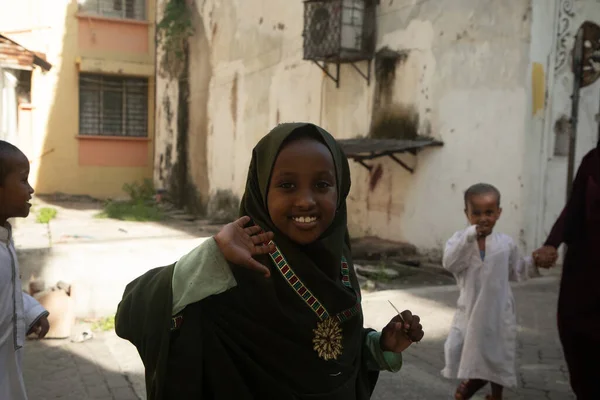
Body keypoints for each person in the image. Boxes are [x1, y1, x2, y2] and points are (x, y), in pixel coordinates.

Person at [115, 123, 425, 399]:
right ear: (261, 190)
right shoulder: (233, 268)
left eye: (322, 185)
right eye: (287, 185)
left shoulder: (337, 263)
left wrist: (378, 347)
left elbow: (328, 355)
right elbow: (131, 315)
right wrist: (211, 256)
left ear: (340, 189)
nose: (305, 200)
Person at [441, 183, 533, 400]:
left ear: (499, 213)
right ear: (467, 214)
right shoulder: (460, 241)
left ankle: (496, 395)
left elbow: (517, 270)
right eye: (477, 213)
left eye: (489, 212)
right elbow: (450, 262)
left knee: (498, 354)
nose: (483, 218)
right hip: (471, 309)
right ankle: (471, 382)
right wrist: (470, 235)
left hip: (499, 311)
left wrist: (535, 262)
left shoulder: (506, 244)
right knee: (470, 350)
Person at [533, 141, 600, 399]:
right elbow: (573, 209)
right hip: (584, 273)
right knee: (576, 339)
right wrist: (552, 243)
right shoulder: (592, 161)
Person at [0, 140, 50, 400]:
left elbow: (7, 290)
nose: (30, 190)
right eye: (23, 180)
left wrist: (31, 311)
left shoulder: (5, 238)